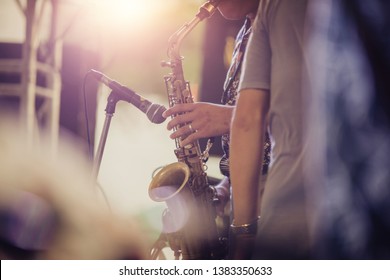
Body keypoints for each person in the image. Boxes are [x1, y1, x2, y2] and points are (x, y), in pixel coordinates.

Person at [162, 0, 270, 219]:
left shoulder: (293, 25)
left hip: (282, 199)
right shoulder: (244, 33)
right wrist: (225, 187)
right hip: (244, 194)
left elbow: (305, 113)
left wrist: (230, 117)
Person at [229, 0, 310, 259]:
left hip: (291, 208)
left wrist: (244, 235)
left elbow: (247, 120)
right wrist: (225, 182)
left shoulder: (272, 8)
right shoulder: (244, 33)